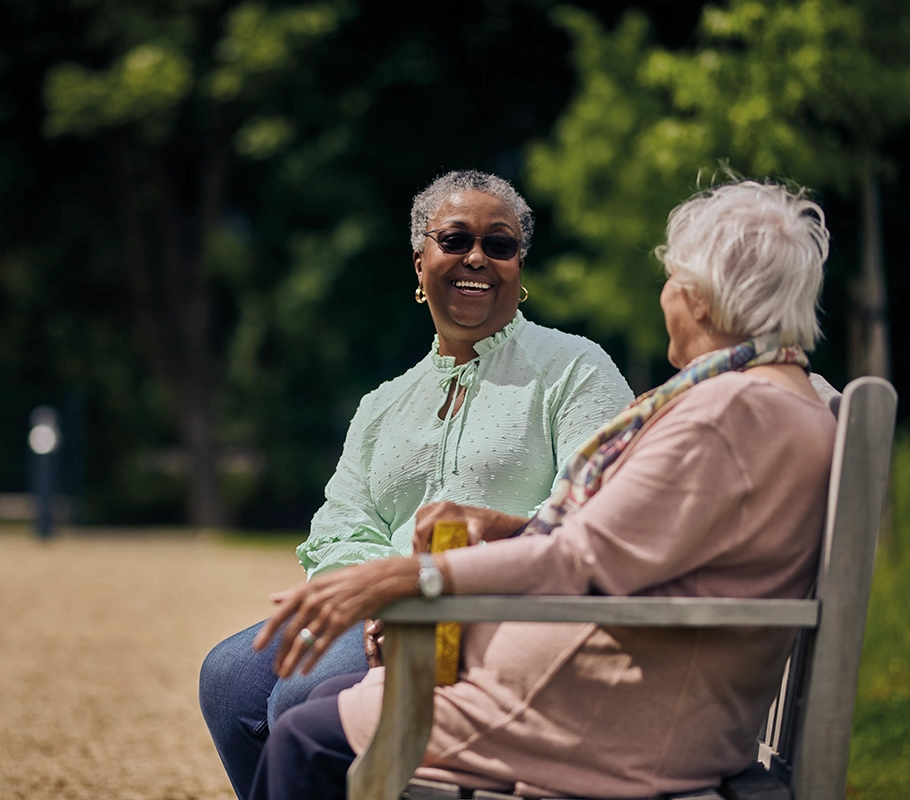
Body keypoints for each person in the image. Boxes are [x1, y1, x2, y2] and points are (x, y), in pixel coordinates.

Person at [248, 178, 838, 800]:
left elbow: (582, 557)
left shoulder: (725, 412)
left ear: (700, 298)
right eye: (454, 239)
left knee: (305, 731)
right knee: (302, 697)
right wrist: (504, 530)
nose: (664, 296)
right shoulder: (754, 397)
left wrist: (411, 579)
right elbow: (617, 541)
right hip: (613, 685)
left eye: (671, 281)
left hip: (612, 714)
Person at [198, 170, 633, 799]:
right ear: (419, 260)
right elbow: (341, 525)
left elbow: (586, 508)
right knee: (229, 677)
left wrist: (431, 595)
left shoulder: (574, 370)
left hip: (495, 615)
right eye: (455, 240)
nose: (477, 258)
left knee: (297, 697)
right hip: (382, 610)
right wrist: (382, 599)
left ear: (520, 266)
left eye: (500, 244)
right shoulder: (384, 403)